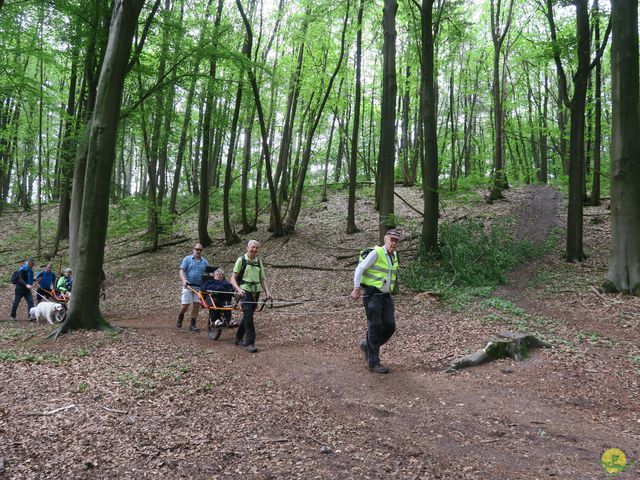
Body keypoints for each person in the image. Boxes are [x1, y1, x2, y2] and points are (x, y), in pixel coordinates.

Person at [350, 229, 401, 374]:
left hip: (386, 296)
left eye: (396, 240)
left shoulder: (395, 255)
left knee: (390, 326)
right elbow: (360, 268)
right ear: (385, 239)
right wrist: (356, 288)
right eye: (391, 239)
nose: (393, 242)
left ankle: (367, 345)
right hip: (372, 295)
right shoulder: (376, 253)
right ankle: (373, 362)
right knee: (375, 326)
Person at [230, 240, 271, 353]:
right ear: (247, 247)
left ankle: (238, 338)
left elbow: (262, 279)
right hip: (244, 291)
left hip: (255, 292)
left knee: (248, 315)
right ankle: (250, 343)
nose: (254, 250)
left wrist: (267, 291)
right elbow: (233, 278)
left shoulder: (258, 262)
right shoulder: (241, 260)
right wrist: (238, 290)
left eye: (256, 248)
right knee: (248, 316)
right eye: (253, 247)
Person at [177, 243, 209, 332]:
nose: (198, 251)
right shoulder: (187, 259)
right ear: (193, 249)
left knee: (196, 305)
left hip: (199, 287)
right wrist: (184, 280)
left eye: (200, 250)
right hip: (188, 286)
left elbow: (208, 274)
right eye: (197, 249)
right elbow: (181, 270)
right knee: (185, 305)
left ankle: (192, 324)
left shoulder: (205, 262)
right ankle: (181, 316)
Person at [201, 268, 236, 339]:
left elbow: (229, 289)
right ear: (214, 276)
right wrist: (219, 288)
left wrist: (217, 289)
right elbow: (204, 288)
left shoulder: (225, 283)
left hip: (223, 299)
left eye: (220, 275)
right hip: (212, 299)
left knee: (227, 303)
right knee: (215, 302)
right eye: (217, 274)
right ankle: (215, 320)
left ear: (223, 276)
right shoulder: (209, 282)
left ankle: (229, 320)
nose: (219, 276)